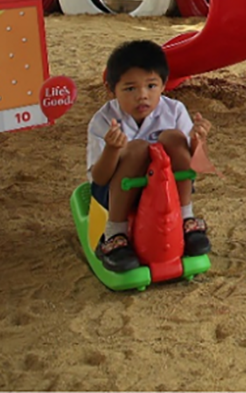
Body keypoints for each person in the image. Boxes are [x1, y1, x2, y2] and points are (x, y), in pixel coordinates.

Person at [86, 40, 212, 274]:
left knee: (174, 138)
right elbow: (100, 178)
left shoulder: (174, 111)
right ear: (111, 89)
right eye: (130, 88)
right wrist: (112, 150)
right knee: (137, 149)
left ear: (164, 85)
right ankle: (115, 233)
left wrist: (197, 141)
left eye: (151, 86)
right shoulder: (104, 120)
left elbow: (195, 165)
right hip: (117, 191)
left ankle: (186, 218)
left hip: (166, 190)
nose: (142, 96)